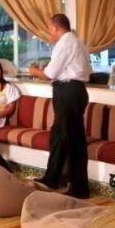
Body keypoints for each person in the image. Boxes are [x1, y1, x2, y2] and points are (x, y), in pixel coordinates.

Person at [28, 14, 91, 199]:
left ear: (55, 28)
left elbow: (50, 73)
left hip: (68, 92)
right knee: (58, 136)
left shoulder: (65, 43)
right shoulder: (77, 42)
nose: (50, 33)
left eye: (50, 29)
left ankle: (79, 188)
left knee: (73, 140)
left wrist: (33, 71)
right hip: (73, 91)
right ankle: (52, 178)